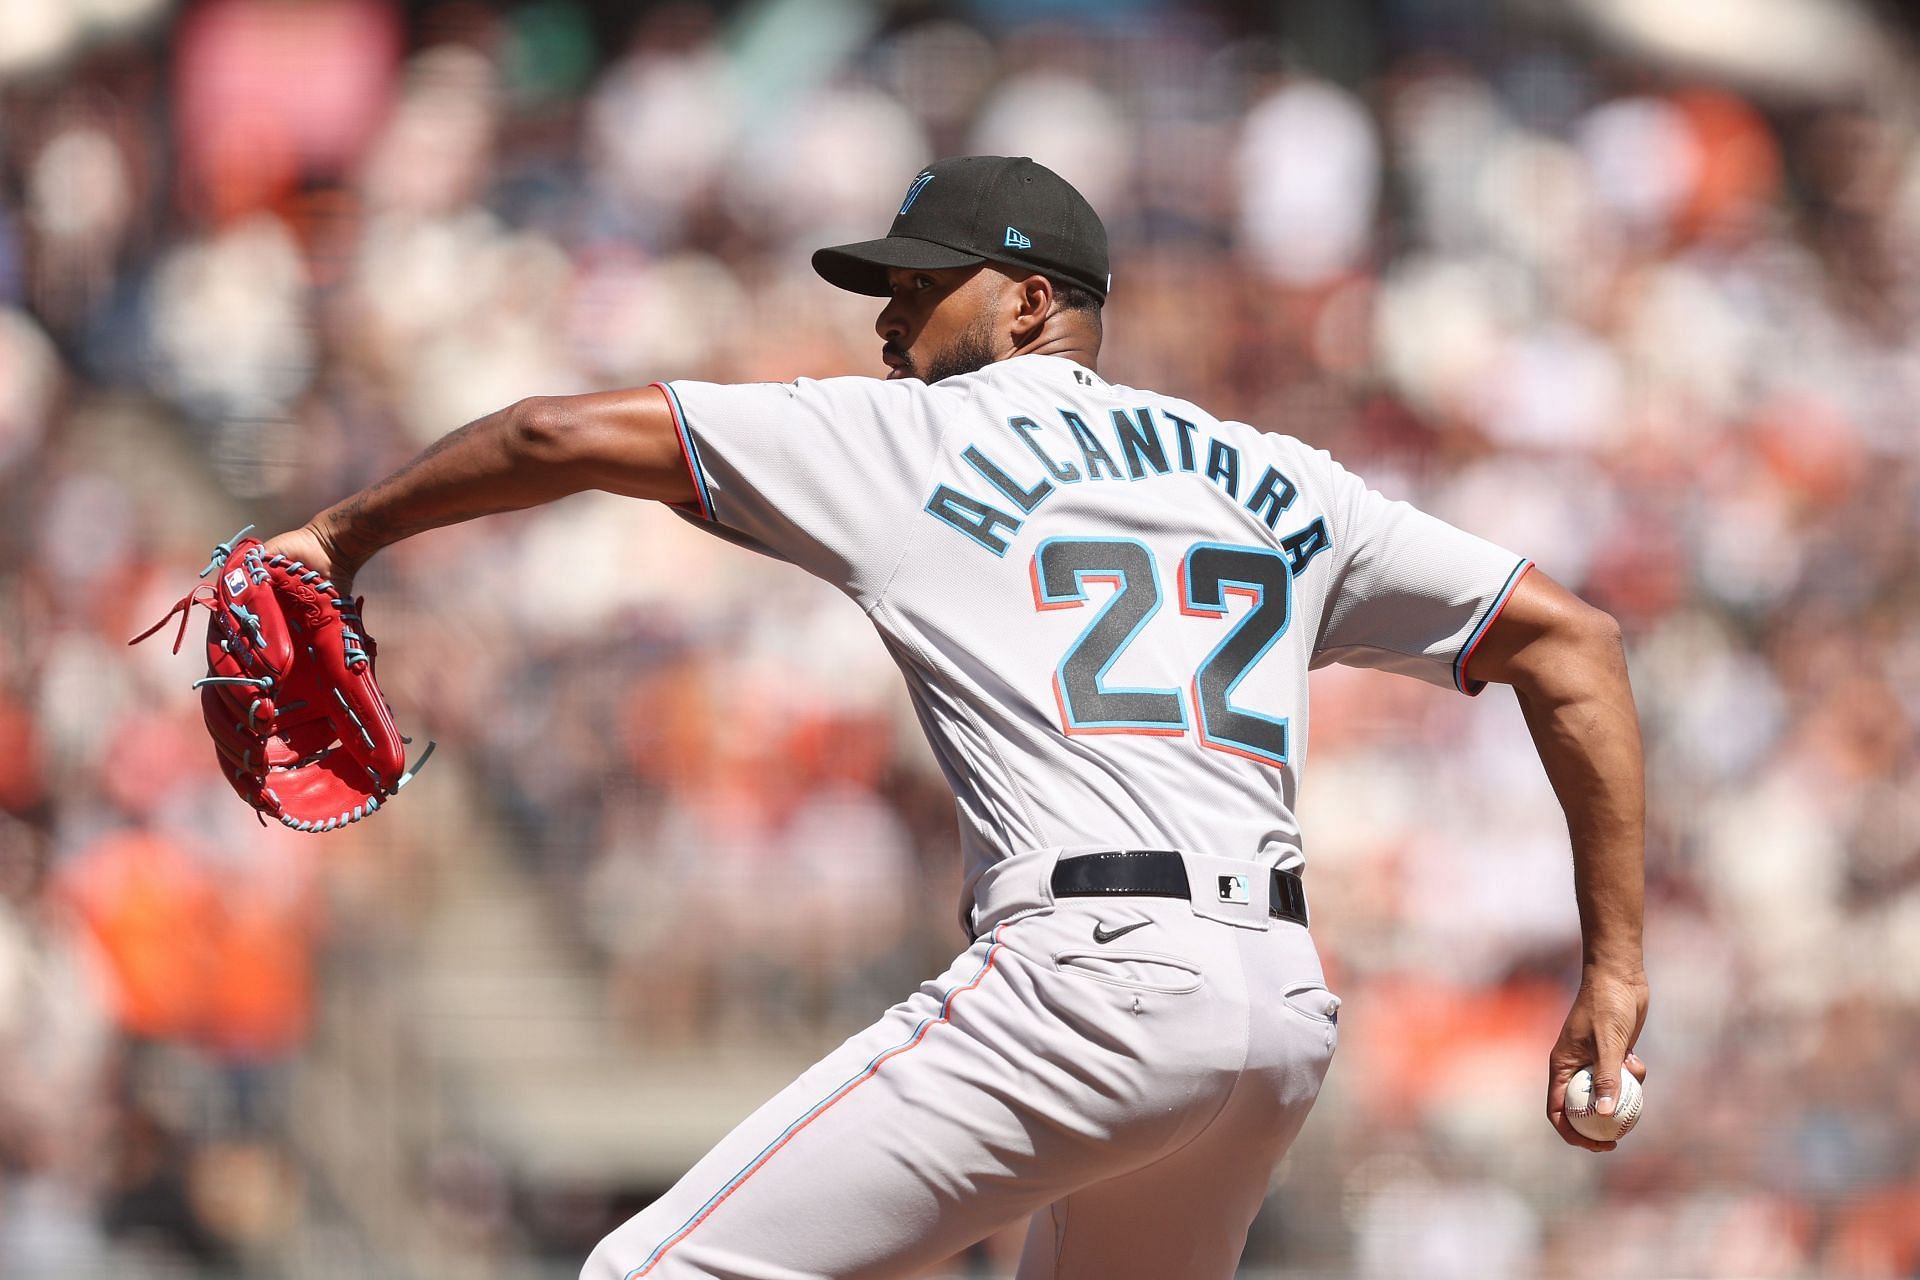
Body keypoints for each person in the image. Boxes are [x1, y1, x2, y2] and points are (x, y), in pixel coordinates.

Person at [266, 155, 1649, 1279]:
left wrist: (341, 533)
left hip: (1088, 978)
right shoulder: (1289, 480)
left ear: (1031, 304)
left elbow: (550, 435)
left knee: (651, 1273)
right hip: (1278, 1010)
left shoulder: (923, 435)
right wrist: (1616, 971)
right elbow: (1572, 645)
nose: (887, 320)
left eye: (921, 288)